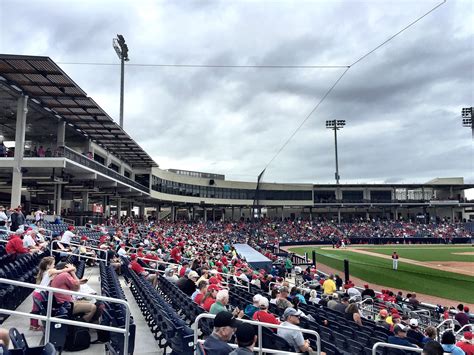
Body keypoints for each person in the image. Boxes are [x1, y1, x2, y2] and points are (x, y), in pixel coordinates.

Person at [30, 257, 75, 330]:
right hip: (39, 293)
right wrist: (71, 268)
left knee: (35, 309)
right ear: (48, 266)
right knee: (37, 310)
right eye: (53, 264)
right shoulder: (50, 271)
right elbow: (63, 270)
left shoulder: (45, 271)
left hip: (37, 292)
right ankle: (34, 326)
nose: (54, 266)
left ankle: (33, 325)